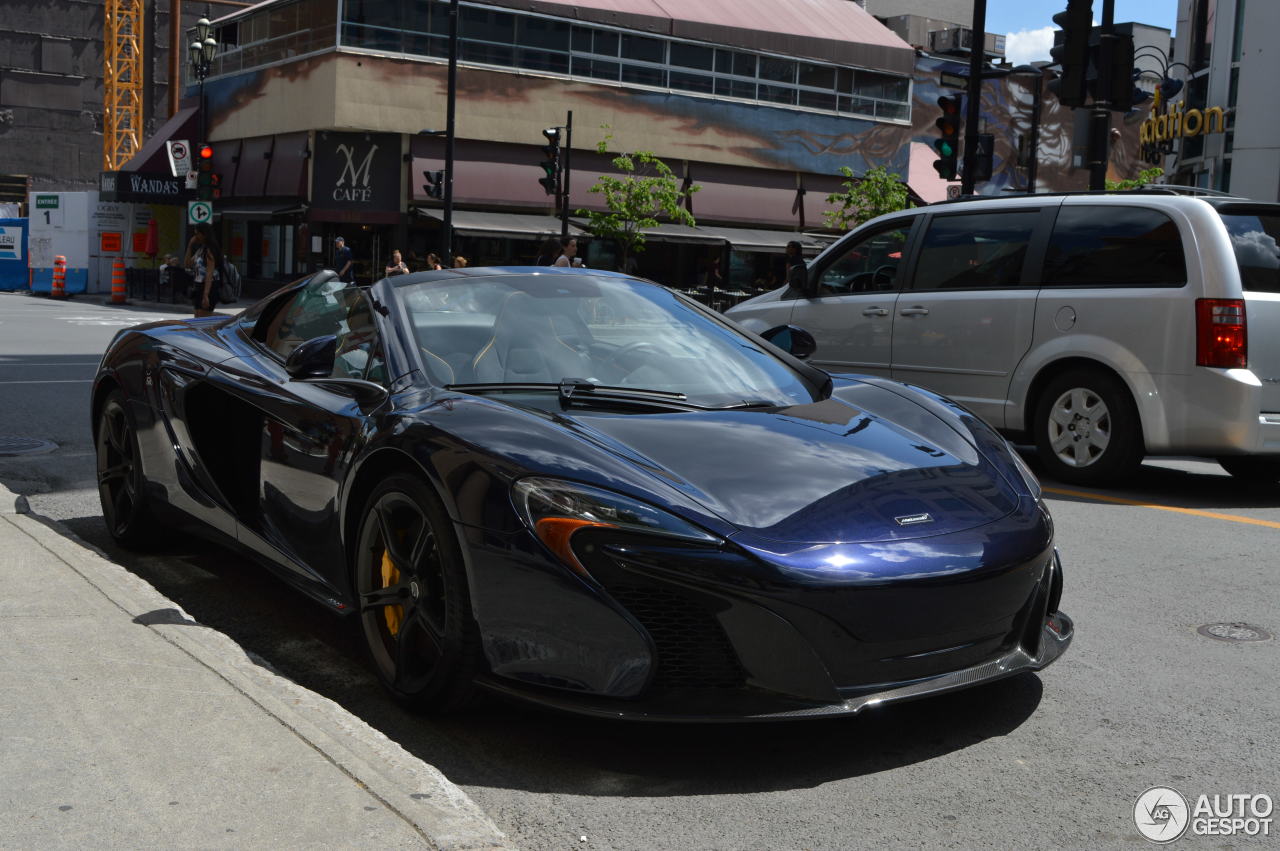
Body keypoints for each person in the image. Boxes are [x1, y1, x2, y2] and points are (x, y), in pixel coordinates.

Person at [186, 223, 223, 317]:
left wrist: (206, 295)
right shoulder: (201, 249)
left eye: (197, 233)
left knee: (203, 321)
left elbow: (209, 273)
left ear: (204, 234)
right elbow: (187, 264)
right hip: (198, 286)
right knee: (197, 318)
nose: (196, 236)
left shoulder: (210, 250)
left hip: (209, 287)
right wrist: (190, 246)